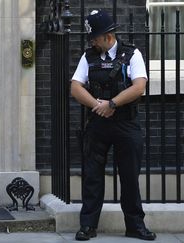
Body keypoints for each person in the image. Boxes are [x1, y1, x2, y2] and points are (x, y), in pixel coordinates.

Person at [70, 10, 156, 241]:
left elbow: (139, 87)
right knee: (92, 177)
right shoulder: (88, 57)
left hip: (126, 123)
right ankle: (88, 226)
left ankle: (135, 226)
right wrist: (99, 107)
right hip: (98, 124)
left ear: (108, 36)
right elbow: (76, 87)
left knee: (129, 177)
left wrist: (112, 103)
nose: (92, 41)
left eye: (95, 37)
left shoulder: (132, 54)